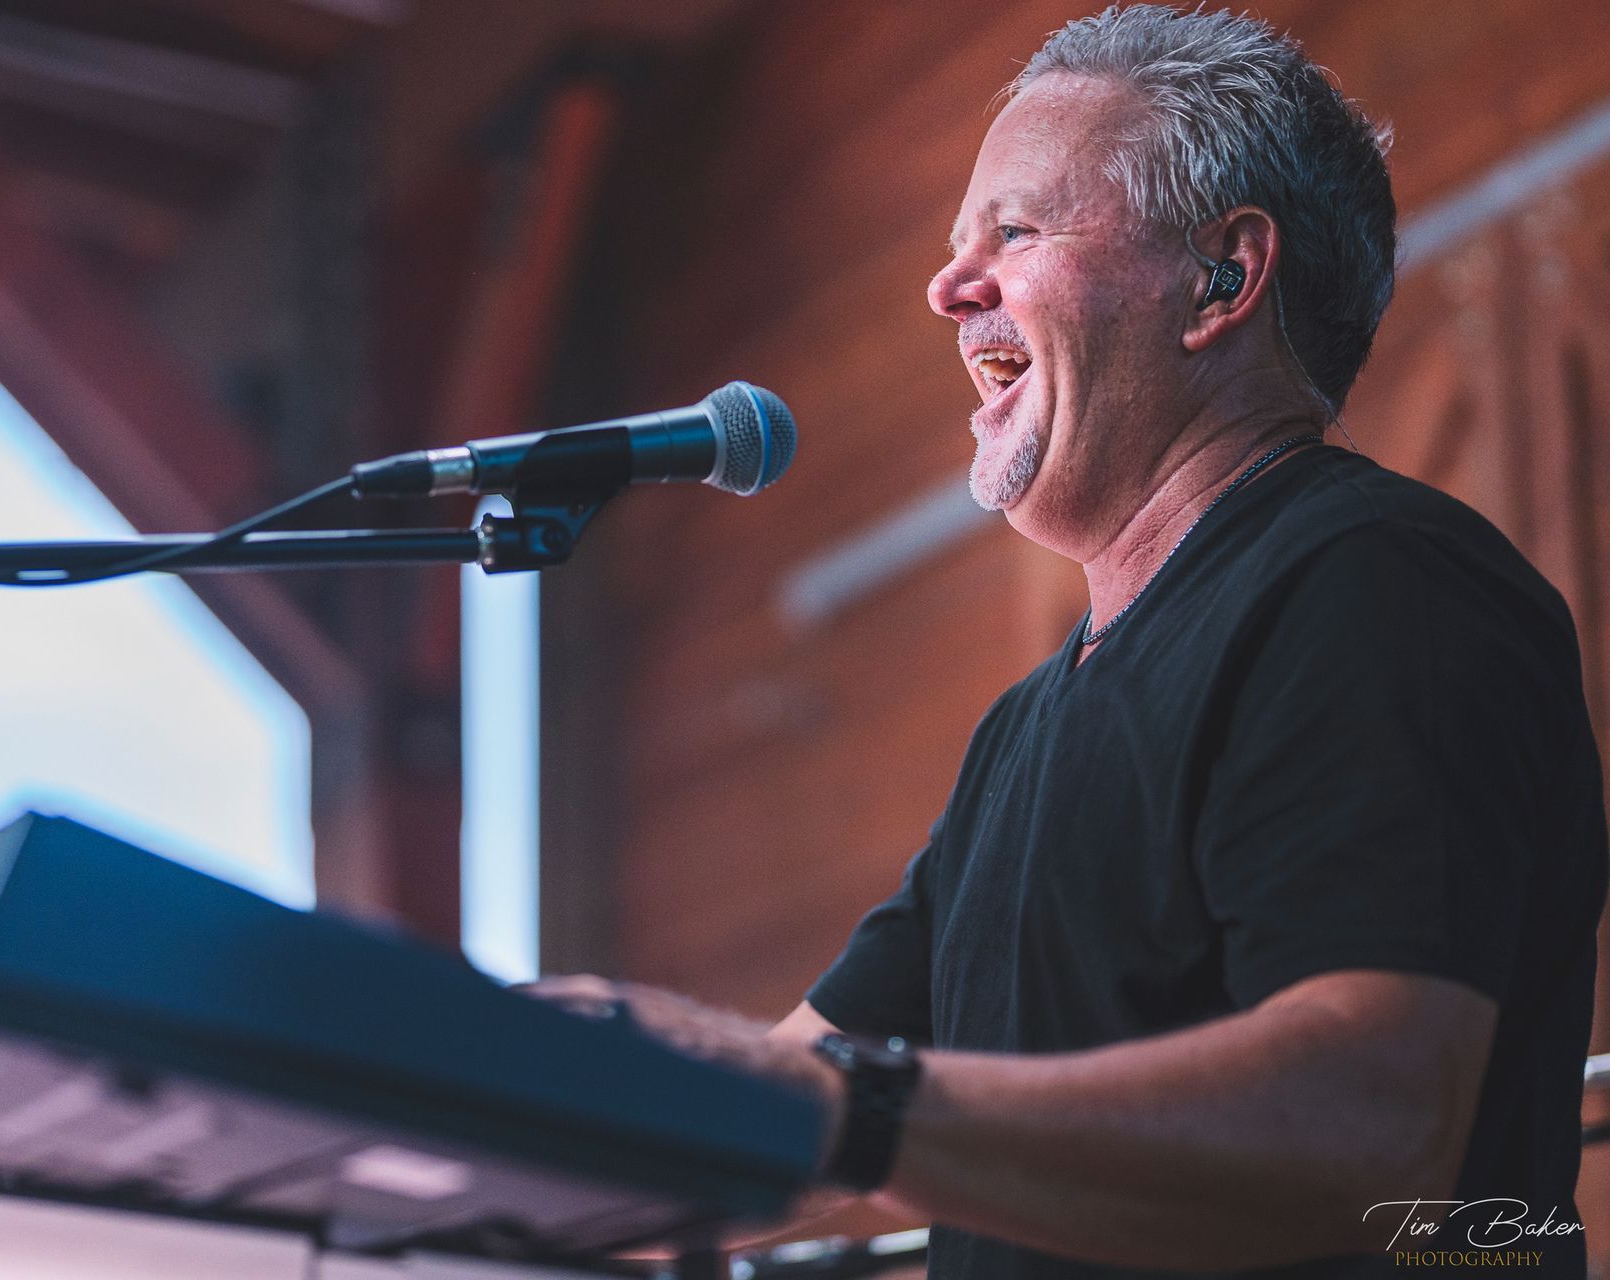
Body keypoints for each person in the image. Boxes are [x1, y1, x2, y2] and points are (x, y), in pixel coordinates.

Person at [532, 6, 1607, 1275]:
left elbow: (1371, 1125)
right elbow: (777, 1116)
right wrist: (487, 1108)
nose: (945, 289)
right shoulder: (1022, 732)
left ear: (1224, 277)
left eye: (1016, 231)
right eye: (954, 246)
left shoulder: (1375, 583)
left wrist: (853, 1109)